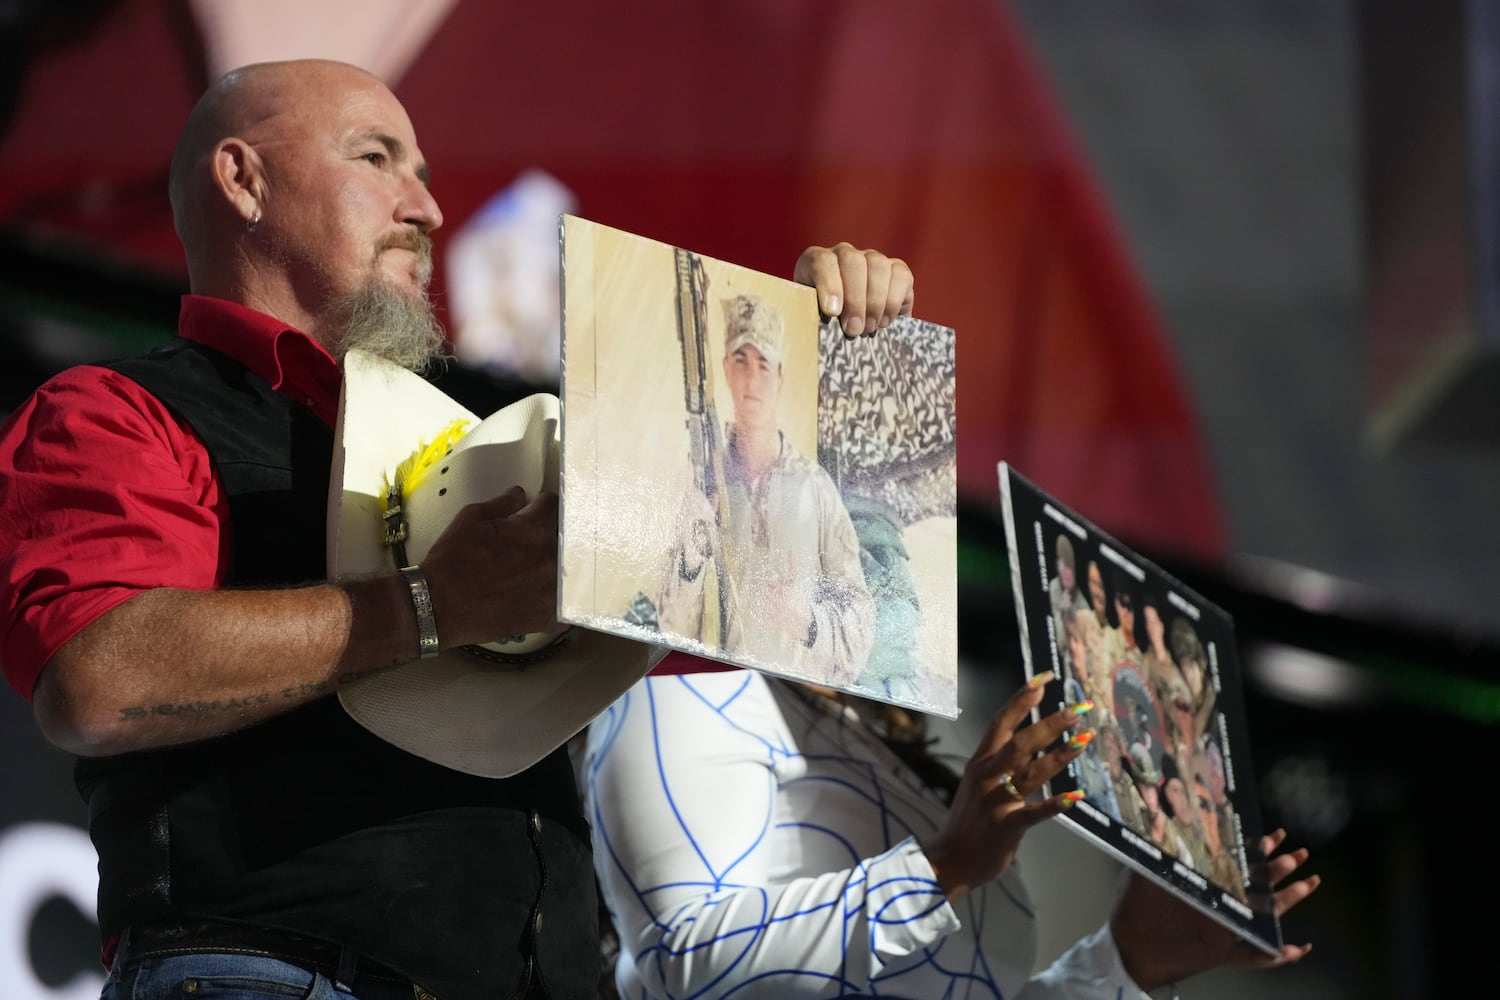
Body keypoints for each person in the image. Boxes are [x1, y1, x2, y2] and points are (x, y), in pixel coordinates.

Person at [0, 58, 911, 1000]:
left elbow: (748, 609)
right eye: (377, 157)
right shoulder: (120, 412)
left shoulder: (480, 440)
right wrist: (434, 604)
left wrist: (812, 346)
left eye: (426, 174)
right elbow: (96, 681)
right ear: (244, 180)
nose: (427, 209)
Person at [587, 670, 1317, 998]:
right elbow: (677, 966)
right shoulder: (694, 681)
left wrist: (1124, 962)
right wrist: (944, 865)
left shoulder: (880, 744)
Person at [656, 293, 876, 685]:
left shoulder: (815, 489)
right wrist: (689, 562)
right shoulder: (702, 483)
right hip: (718, 691)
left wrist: (805, 620)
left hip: (797, 706)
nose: (751, 379)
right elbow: (671, 632)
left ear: (780, 376)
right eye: (741, 360)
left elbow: (860, 638)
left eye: (763, 363)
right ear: (725, 368)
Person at [1048, 534, 1089, 672]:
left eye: (1069, 569)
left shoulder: (1081, 601)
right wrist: (1063, 612)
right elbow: (1058, 643)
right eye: (1062, 566)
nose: (1066, 573)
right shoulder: (1053, 588)